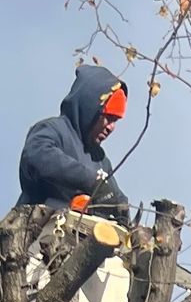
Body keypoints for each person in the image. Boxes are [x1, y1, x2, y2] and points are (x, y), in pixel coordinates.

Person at [18, 64, 131, 219]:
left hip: (80, 238)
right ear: (90, 107)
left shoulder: (100, 160)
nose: (111, 128)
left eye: (116, 121)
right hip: (38, 231)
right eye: (109, 117)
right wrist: (91, 182)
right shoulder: (53, 130)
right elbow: (36, 156)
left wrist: (123, 213)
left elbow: (116, 197)